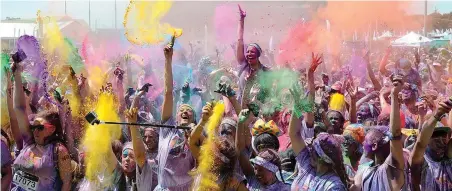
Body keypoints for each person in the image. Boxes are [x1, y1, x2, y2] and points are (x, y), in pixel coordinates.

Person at [10, 60, 72, 191]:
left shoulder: (59, 151)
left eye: (40, 127)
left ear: (52, 129)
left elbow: (67, 184)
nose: (35, 131)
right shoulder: (29, 141)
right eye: (33, 127)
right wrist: (17, 75)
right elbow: (19, 109)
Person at [351, 75, 406, 191]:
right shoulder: (364, 170)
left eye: (366, 140)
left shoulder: (391, 171)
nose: (362, 143)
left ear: (374, 145)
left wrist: (394, 96)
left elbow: (395, 135)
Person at [155, 41, 195, 191]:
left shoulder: (197, 136)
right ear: (175, 116)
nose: (184, 112)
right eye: (181, 110)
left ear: (194, 118)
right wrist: (168, 60)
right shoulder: (167, 130)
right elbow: (168, 93)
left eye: (189, 110)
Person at [409, 99, 452, 191]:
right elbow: (420, 144)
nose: (440, 139)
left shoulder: (448, 158)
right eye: (435, 135)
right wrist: (437, 114)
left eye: (443, 134)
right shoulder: (421, 161)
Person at [235, 5, 269, 107]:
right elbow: (239, 40)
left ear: (258, 55)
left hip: (258, 112)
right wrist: (241, 20)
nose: (249, 54)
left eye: (252, 52)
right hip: (240, 109)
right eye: (248, 52)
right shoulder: (244, 65)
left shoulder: (266, 72)